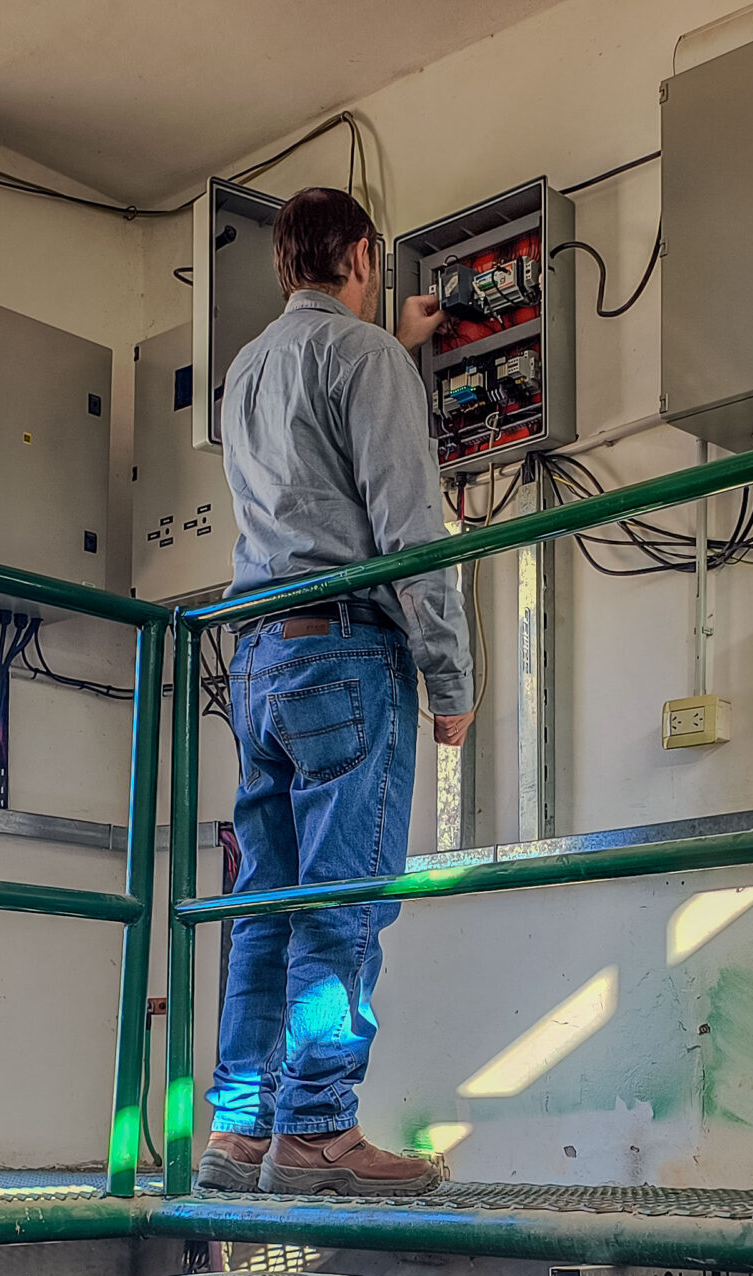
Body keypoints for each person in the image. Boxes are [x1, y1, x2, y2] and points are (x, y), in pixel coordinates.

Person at [195, 186, 475, 1196]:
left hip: (258, 656)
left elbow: (313, 474)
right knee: (345, 900)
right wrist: (450, 671)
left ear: (284, 265)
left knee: (266, 899)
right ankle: (318, 1132)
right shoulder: (366, 361)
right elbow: (406, 526)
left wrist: (396, 344)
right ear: (361, 254)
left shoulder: (247, 369)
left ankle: (240, 1128)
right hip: (348, 652)